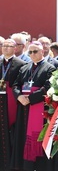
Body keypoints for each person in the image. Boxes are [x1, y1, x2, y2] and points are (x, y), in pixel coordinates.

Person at [11, 41, 56, 171]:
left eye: (35, 51)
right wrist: (19, 96)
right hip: (23, 109)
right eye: (30, 52)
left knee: (38, 140)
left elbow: (48, 87)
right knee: (23, 137)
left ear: (42, 52)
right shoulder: (25, 68)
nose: (32, 54)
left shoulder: (49, 68)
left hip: (39, 109)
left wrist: (30, 99)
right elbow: (15, 85)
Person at [0, 39, 26, 171]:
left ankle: (13, 164)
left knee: (12, 133)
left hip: (12, 103)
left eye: (9, 46)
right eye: (4, 46)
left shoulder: (21, 64)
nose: (5, 48)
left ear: (15, 48)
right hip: (1, 101)